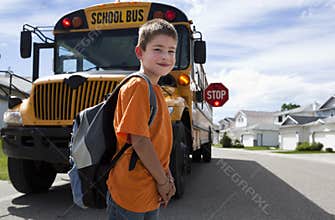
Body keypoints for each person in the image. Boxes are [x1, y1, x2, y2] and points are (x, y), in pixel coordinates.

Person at [106, 18, 178, 220]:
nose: (166, 56)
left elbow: (156, 141)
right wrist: (163, 182)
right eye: (158, 49)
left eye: (171, 51)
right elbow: (139, 140)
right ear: (140, 52)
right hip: (130, 189)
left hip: (148, 187)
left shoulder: (155, 90)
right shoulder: (137, 86)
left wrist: (166, 177)